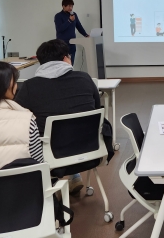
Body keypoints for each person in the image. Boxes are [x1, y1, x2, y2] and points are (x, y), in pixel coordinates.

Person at [15, 39, 113, 196]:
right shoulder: (84, 78)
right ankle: (74, 175)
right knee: (72, 126)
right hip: (90, 150)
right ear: (65, 58)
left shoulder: (29, 87)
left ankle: (53, 183)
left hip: (52, 155)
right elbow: (96, 107)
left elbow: (18, 118)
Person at [54, 0, 88, 65]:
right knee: (63, 64)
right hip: (62, 44)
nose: (71, 8)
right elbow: (59, 29)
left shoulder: (73, 15)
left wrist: (85, 35)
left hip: (72, 42)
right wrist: (69, 20)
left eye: (72, 6)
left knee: (71, 63)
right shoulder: (58, 16)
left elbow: (79, 26)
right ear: (63, 6)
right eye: (69, 6)